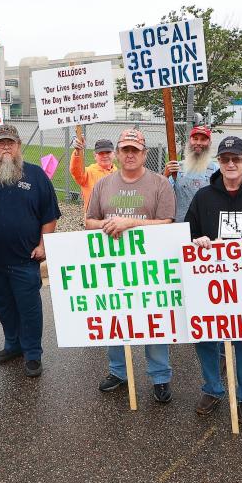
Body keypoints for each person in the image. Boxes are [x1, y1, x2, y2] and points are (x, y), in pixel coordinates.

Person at [184, 136, 242, 424]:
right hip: (209, 284)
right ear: (219, 161)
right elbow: (188, 233)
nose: (230, 164)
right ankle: (212, 388)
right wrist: (197, 241)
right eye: (225, 159)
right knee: (205, 338)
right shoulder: (204, 197)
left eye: (236, 159)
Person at [85, 128, 177, 402]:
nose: (129, 155)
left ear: (144, 154)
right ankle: (118, 371)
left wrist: (131, 223)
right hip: (113, 266)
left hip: (149, 266)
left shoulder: (160, 184)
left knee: (153, 320)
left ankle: (160, 376)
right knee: (116, 317)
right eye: (124, 150)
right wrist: (107, 224)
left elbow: (167, 223)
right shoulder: (104, 184)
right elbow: (90, 221)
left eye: (135, 150)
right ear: (117, 153)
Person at [0, 125, 60, 378]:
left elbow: (50, 215)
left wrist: (44, 244)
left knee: (29, 307)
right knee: (3, 305)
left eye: (10, 142)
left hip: (24, 258)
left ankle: (32, 353)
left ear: (19, 145)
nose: (6, 147)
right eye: (0, 143)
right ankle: (13, 344)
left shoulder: (36, 175)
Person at [165, 124, 219, 223]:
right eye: (195, 139)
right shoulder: (176, 168)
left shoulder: (216, 170)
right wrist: (165, 176)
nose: (198, 143)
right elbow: (163, 196)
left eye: (203, 139)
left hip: (206, 228)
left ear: (209, 143)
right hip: (180, 227)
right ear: (189, 141)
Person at [69, 136, 115, 213]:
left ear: (114, 154)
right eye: (101, 153)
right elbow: (75, 170)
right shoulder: (88, 173)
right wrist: (77, 152)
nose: (105, 155)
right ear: (94, 155)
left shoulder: (118, 173)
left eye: (108, 152)